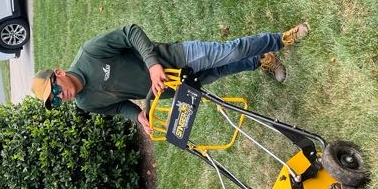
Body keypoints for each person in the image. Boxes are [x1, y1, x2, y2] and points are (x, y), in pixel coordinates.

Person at [31, 23, 309, 134]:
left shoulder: (90, 53)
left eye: (54, 91)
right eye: (54, 101)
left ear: (59, 73)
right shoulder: (85, 103)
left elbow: (130, 32)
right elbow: (117, 106)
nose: (59, 98)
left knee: (228, 51)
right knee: (221, 70)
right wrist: (137, 116)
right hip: (168, 88)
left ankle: (280, 39)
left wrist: (153, 65)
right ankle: (262, 60)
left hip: (176, 58)